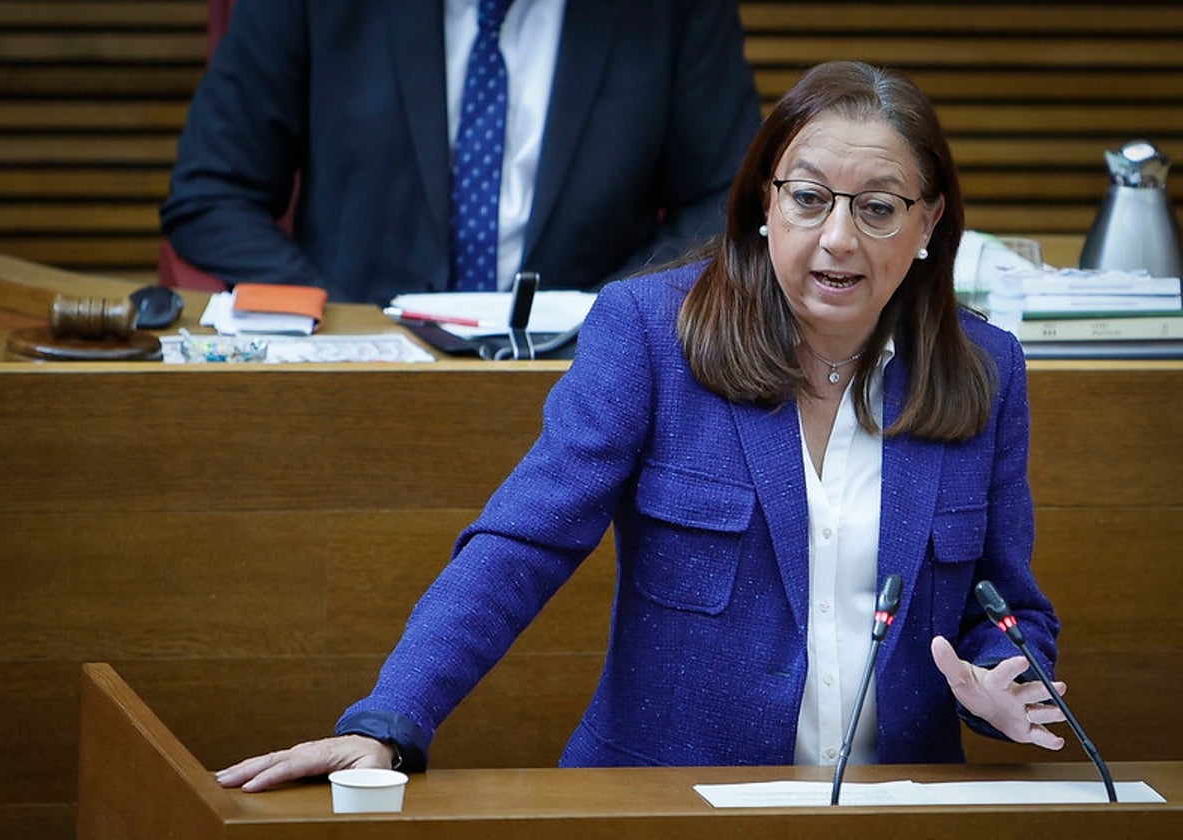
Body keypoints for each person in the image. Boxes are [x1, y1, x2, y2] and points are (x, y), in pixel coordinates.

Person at [217, 60, 1065, 791]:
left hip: (894, 810)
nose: (837, 238)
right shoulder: (652, 335)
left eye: (878, 208)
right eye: (809, 199)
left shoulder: (984, 371)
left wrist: (1005, 678)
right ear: (764, 203)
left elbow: (1007, 604)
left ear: (928, 224)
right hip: (668, 804)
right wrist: (388, 724)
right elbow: (523, 543)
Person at [159, 0, 762, 303]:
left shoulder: (672, 10)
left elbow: (726, 203)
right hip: (354, 382)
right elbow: (213, 195)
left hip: (587, 393)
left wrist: (619, 319)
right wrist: (336, 320)